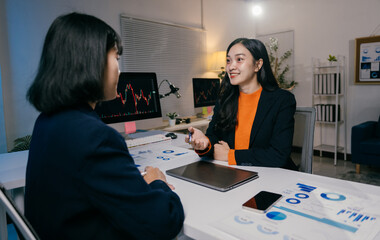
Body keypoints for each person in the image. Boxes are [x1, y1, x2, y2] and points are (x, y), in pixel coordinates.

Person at [25, 12, 184, 240]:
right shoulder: (95, 137)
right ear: (92, 61)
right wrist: (159, 183)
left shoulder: (47, 121)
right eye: (116, 58)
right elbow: (161, 222)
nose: (119, 70)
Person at [186, 38, 297, 170]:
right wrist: (204, 143)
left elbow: (279, 154)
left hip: (273, 177)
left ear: (258, 65)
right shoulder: (225, 100)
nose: (231, 67)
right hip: (233, 174)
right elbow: (214, 138)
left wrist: (231, 155)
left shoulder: (282, 100)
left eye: (239, 59)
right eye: (228, 60)